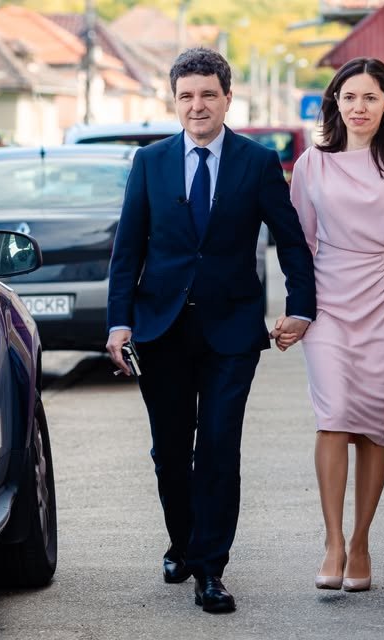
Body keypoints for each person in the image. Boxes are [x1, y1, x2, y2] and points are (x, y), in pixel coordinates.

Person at [106, 47, 316, 613]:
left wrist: (301, 307)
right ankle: (182, 542)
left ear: (227, 99)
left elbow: (290, 241)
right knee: (171, 452)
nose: (196, 105)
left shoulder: (257, 162)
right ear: (174, 101)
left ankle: (210, 570)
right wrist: (120, 321)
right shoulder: (149, 162)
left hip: (232, 331)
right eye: (186, 96)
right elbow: (127, 250)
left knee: (220, 448)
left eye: (207, 95)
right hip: (161, 329)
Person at [275, 57, 384, 592]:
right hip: (327, 302)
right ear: (336, 103)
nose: (359, 107)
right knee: (333, 417)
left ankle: (362, 541)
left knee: (372, 424)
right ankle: (333, 542)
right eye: (349, 97)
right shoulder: (312, 163)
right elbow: (298, 245)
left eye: (370, 97)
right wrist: (298, 310)